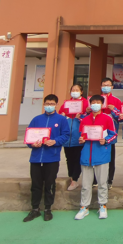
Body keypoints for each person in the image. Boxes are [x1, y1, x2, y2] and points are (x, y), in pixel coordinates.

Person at [23, 94, 70, 222]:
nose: (49, 106)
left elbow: (66, 135)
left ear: (56, 105)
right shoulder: (36, 119)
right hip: (36, 158)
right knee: (36, 184)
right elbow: (28, 137)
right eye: (47, 104)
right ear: (44, 104)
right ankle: (35, 209)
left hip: (52, 157)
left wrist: (55, 141)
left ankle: (48, 209)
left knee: (50, 184)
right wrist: (32, 144)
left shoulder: (61, 120)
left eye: (52, 104)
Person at [75, 95, 118, 220]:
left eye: (98, 102)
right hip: (86, 156)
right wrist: (81, 139)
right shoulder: (85, 120)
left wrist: (106, 140)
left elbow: (113, 135)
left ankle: (102, 205)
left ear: (102, 104)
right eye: (93, 102)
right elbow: (81, 136)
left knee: (102, 183)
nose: (95, 104)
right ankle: (84, 207)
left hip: (102, 155)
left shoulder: (107, 119)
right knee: (85, 185)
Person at [58, 84, 89, 191]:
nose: (74, 92)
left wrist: (82, 116)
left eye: (77, 90)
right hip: (67, 137)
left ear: (81, 92)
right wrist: (62, 116)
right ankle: (71, 178)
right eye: (73, 90)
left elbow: (89, 118)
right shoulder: (66, 103)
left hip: (79, 135)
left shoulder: (86, 103)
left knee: (78, 158)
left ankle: (75, 179)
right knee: (69, 158)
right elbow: (60, 116)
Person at [99, 77, 122, 189]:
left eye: (108, 85)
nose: (106, 87)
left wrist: (114, 110)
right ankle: (96, 179)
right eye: (104, 85)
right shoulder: (95, 100)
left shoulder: (116, 101)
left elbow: (121, 118)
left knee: (110, 158)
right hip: (96, 134)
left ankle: (109, 180)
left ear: (112, 87)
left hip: (110, 134)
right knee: (97, 156)